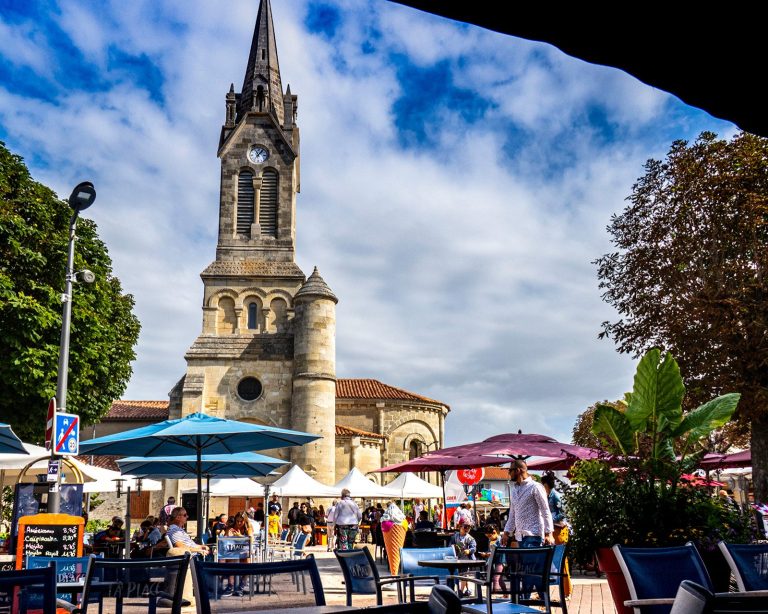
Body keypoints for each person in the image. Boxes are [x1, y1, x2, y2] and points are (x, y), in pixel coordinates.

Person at [502, 460, 554, 548]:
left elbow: (545, 511)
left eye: (510, 470)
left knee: (530, 562)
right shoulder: (514, 490)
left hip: (534, 535)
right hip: (520, 536)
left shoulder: (535, 487)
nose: (509, 473)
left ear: (518, 470)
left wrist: (549, 533)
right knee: (524, 562)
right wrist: (506, 533)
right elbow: (512, 515)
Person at [542, 472, 571, 598]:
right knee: (550, 562)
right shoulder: (548, 496)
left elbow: (563, 513)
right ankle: (545, 592)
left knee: (561, 562)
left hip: (559, 531)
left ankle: (567, 591)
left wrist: (550, 518)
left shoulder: (555, 496)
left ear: (546, 484)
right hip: (551, 530)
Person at [449, 523, 477, 597]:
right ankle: (466, 589)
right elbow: (450, 546)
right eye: (465, 527)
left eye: (469, 527)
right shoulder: (455, 536)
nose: (467, 529)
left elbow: (474, 548)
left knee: (464, 574)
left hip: (466, 559)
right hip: (457, 559)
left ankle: (460, 591)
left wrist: (469, 551)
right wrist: (454, 548)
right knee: (458, 574)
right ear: (460, 527)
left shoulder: (470, 538)